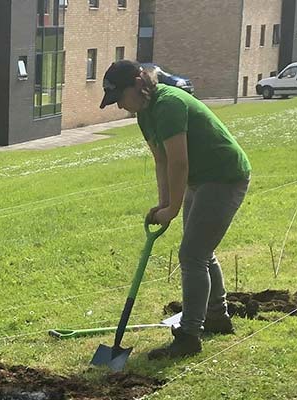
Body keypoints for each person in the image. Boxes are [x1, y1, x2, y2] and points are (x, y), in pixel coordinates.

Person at [99, 60, 251, 360]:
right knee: (201, 252)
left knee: (192, 254)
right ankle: (217, 317)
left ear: (138, 85)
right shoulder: (144, 114)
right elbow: (161, 160)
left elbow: (179, 161)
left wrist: (173, 208)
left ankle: (190, 336)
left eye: (120, 98)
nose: (119, 106)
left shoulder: (168, 104)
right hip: (201, 178)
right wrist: (164, 203)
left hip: (223, 176)